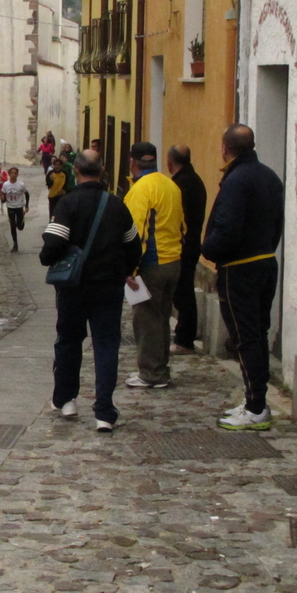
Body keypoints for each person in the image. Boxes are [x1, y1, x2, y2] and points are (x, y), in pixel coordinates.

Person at [40, 151, 142, 432]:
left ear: (75, 170)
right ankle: (105, 412)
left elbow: (52, 245)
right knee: (106, 345)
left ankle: (66, 399)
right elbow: (134, 245)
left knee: (69, 341)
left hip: (73, 287)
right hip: (108, 287)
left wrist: (49, 258)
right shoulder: (117, 205)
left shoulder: (67, 203)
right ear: (103, 170)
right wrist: (125, 269)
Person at [203, 125, 284, 431]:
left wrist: (208, 249)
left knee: (244, 336)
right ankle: (256, 400)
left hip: (240, 268)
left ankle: (256, 406)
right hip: (265, 262)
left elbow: (227, 228)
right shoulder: (269, 176)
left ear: (225, 148)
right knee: (257, 334)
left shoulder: (237, 180)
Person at [123, 142, 185, 389]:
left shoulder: (141, 189)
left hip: (150, 264)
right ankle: (160, 369)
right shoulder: (171, 185)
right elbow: (182, 224)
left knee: (146, 319)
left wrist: (130, 269)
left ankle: (150, 373)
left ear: (132, 163)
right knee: (162, 317)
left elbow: (135, 233)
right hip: (173, 261)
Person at [167, 145, 207, 355]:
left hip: (183, 245)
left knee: (183, 293)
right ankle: (184, 334)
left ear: (170, 161)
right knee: (184, 291)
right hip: (191, 242)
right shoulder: (195, 180)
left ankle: (185, 338)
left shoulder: (181, 184)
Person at [1, 167, 30, 253]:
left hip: (19, 206)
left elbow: (27, 194)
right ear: (9, 174)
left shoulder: (21, 184)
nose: (13, 175)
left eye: (15, 173)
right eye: (12, 173)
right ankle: (15, 244)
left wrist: (27, 206)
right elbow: (3, 195)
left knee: (20, 227)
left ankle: (21, 219)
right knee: (12, 225)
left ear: (17, 174)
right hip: (10, 207)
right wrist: (2, 198)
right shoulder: (6, 185)